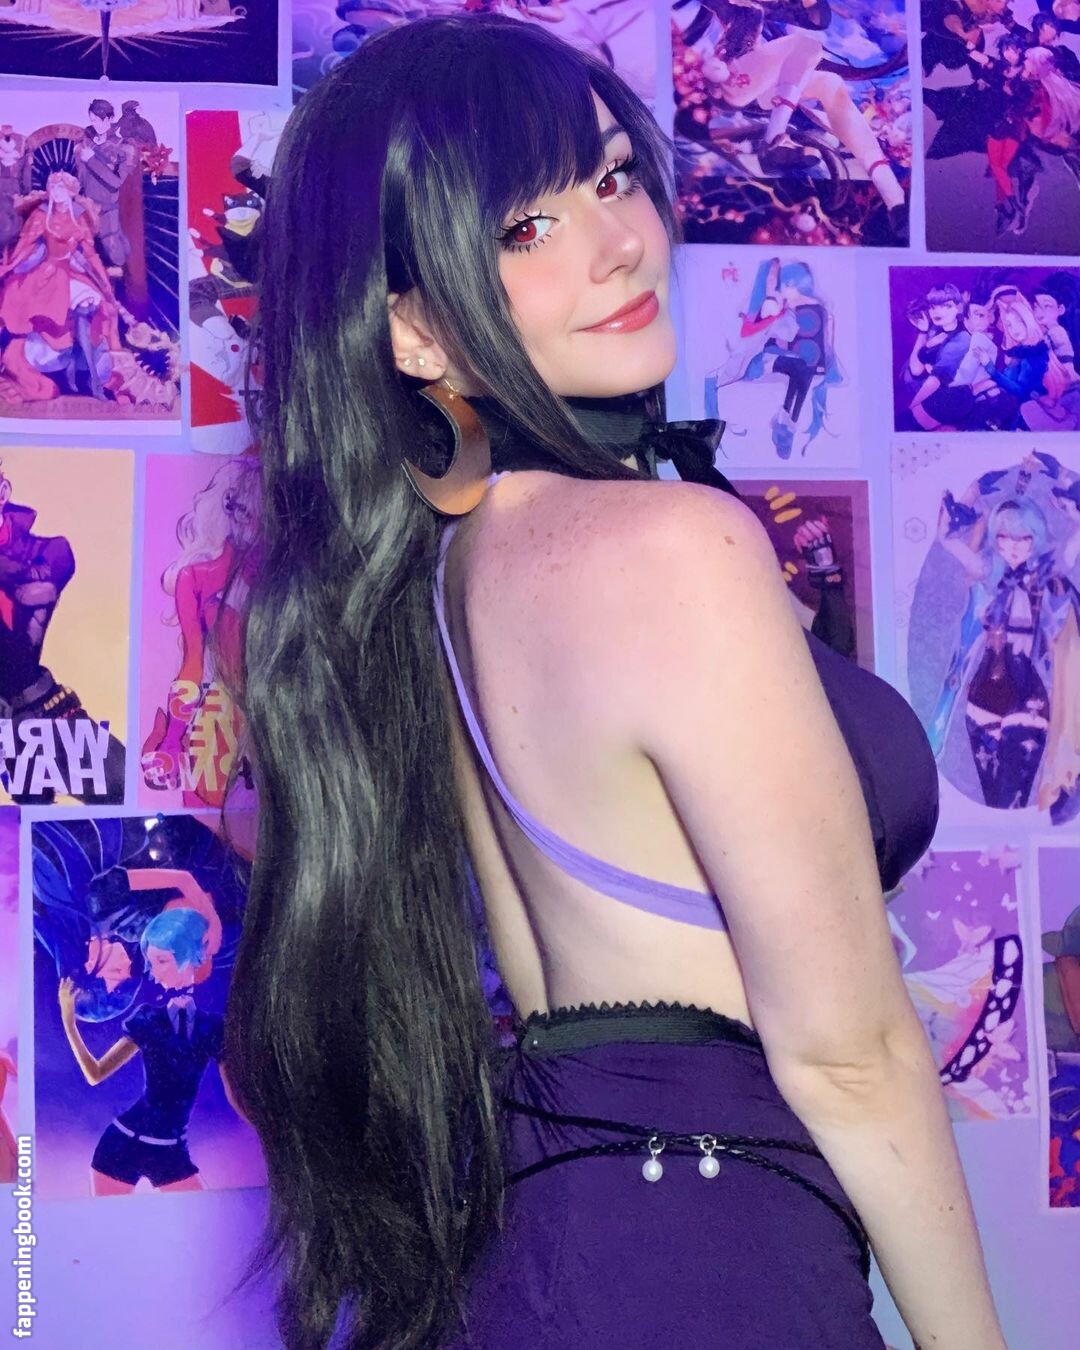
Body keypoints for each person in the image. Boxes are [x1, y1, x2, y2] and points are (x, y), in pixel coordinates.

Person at [219, 15, 1007, 1350]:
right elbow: (849, 1053)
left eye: (611, 176)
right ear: (415, 332)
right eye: (525, 228)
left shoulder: (448, 570)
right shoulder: (669, 548)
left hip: (542, 1254)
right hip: (704, 1269)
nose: (619, 240)